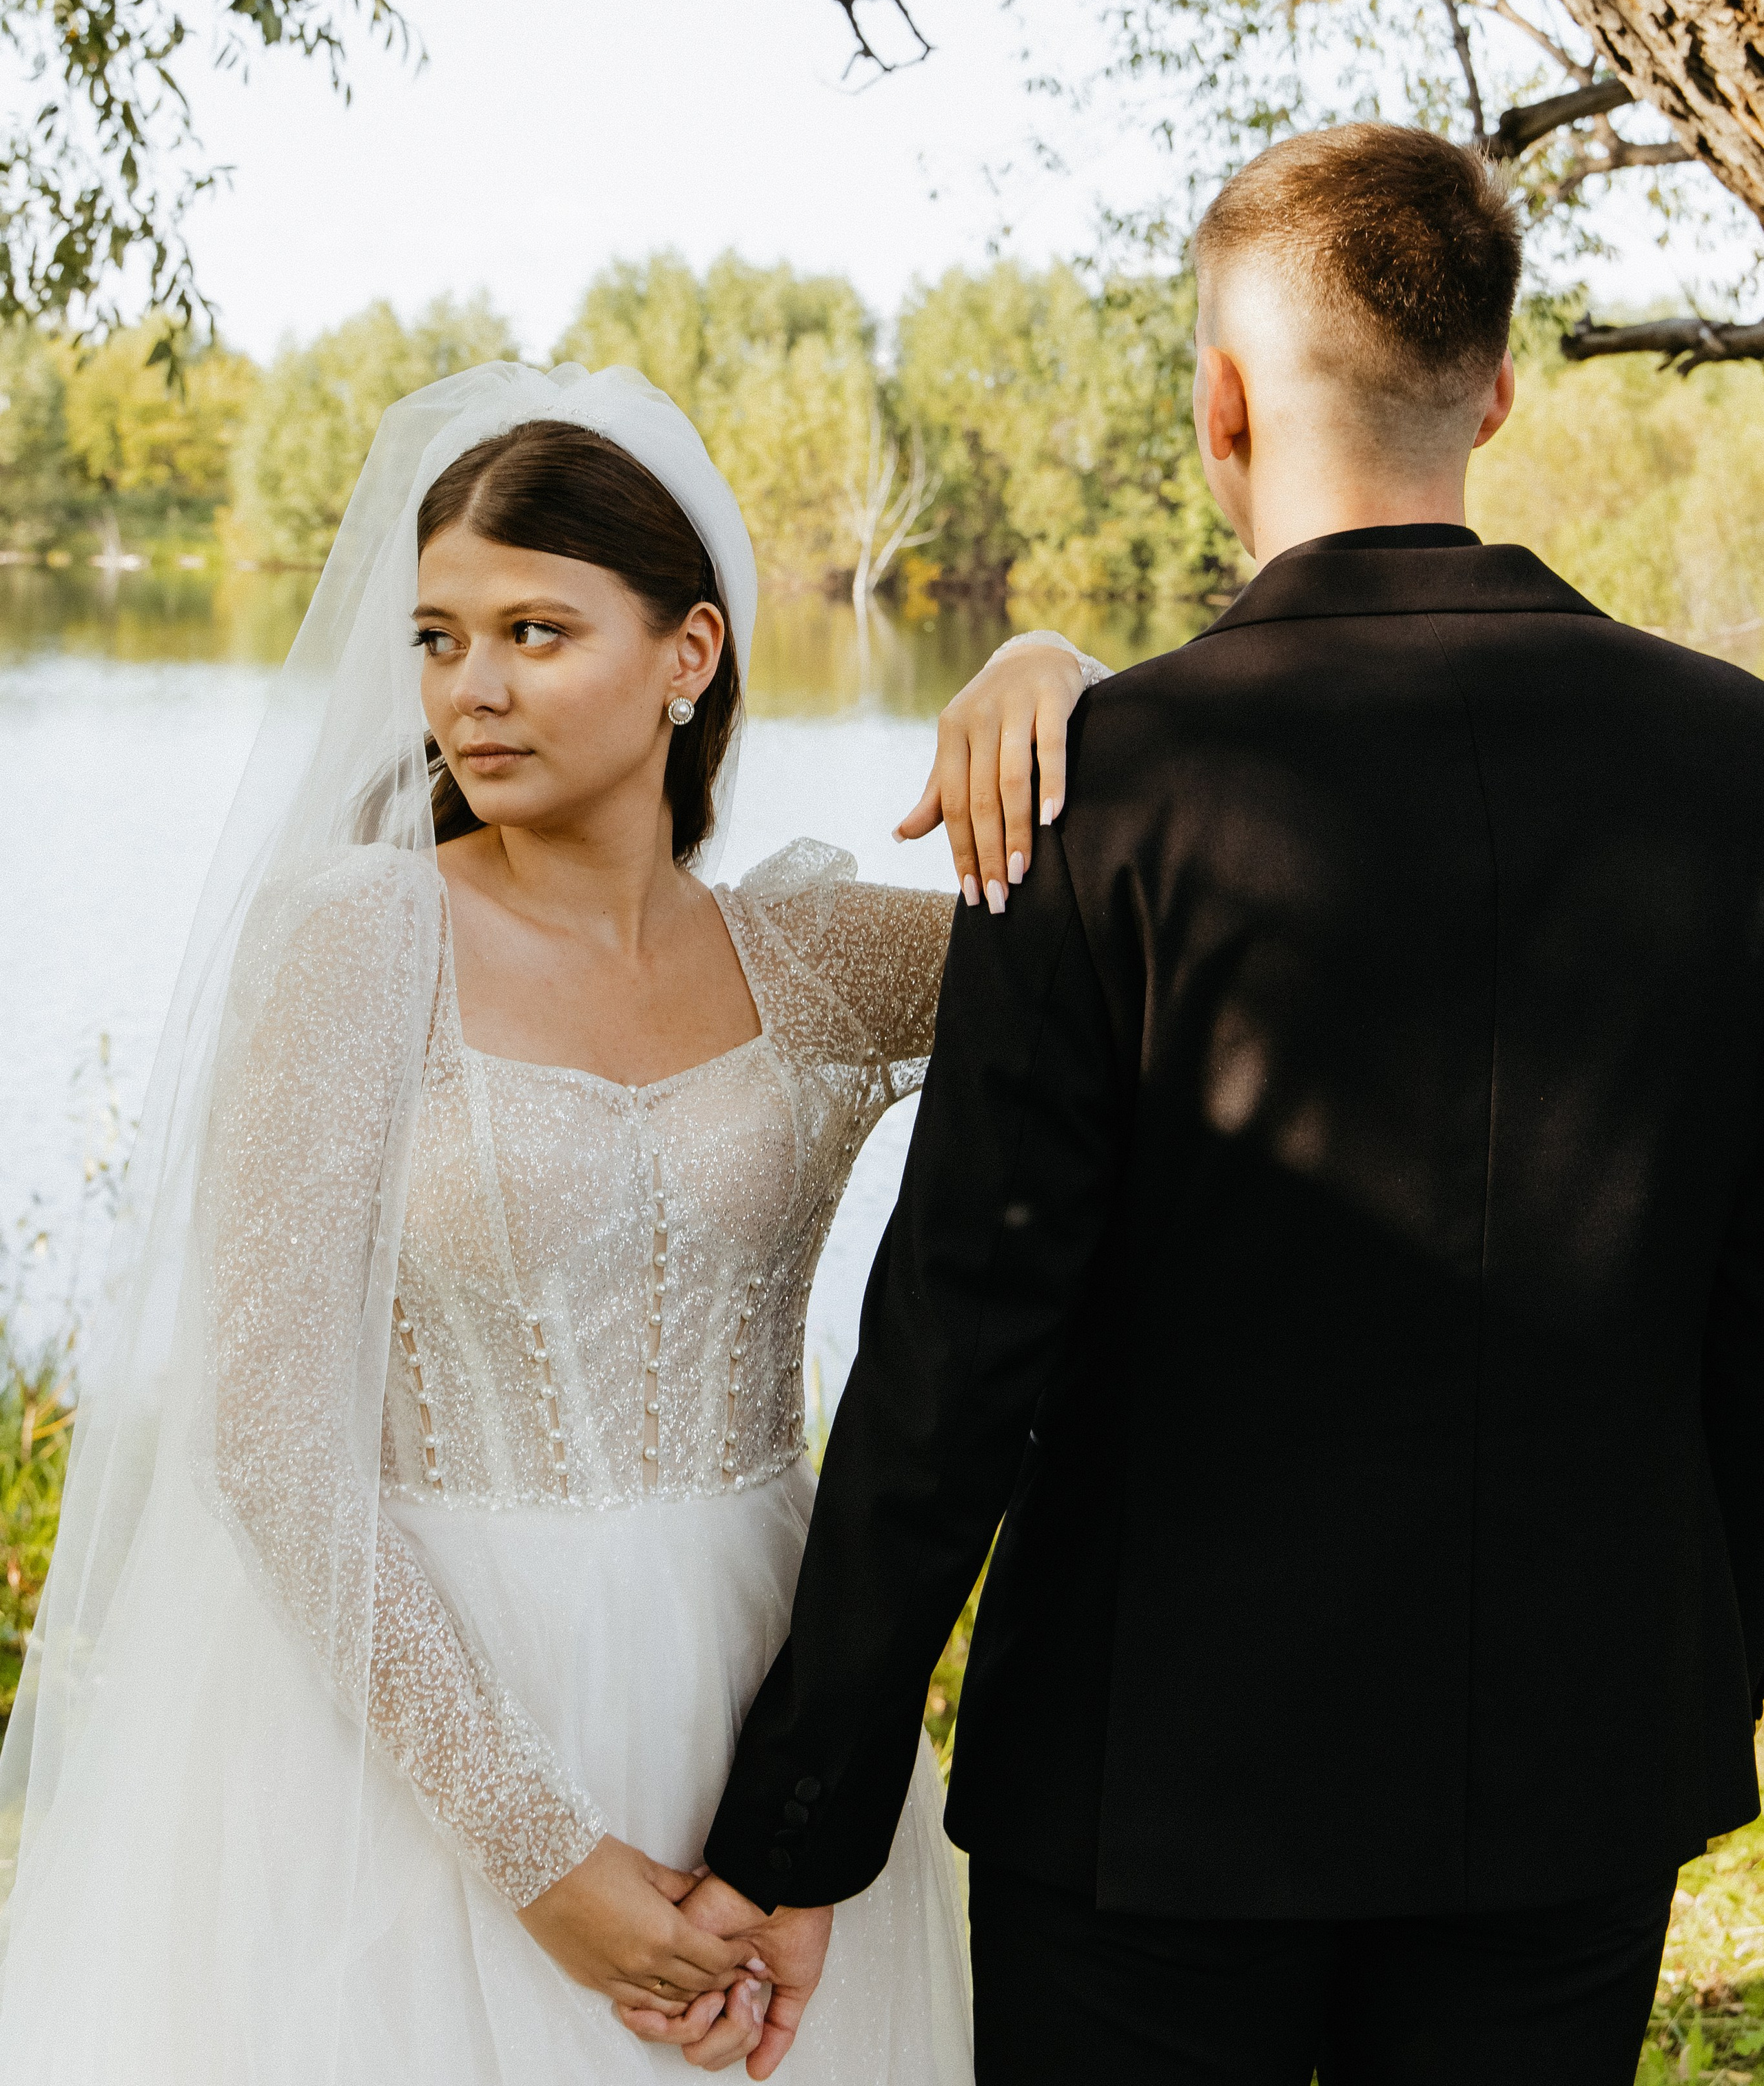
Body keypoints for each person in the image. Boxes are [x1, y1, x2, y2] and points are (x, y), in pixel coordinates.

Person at [704, 123, 1764, 2085]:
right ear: (1499, 388)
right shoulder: (1738, 769)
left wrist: (800, 1822)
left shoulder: (1104, 790)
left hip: (1151, 1794)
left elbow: (957, 1349)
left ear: (1220, 398)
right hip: (1574, 1769)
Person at [0, 360, 1096, 2085]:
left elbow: (1113, 954)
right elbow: (276, 1444)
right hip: (424, 1718)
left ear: (689, 654)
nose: (471, 691)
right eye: (438, 638)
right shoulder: (361, 941)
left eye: (534, 630)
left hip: (760, 1691)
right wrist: (545, 1863)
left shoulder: (804, 959)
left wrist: (1064, 688)